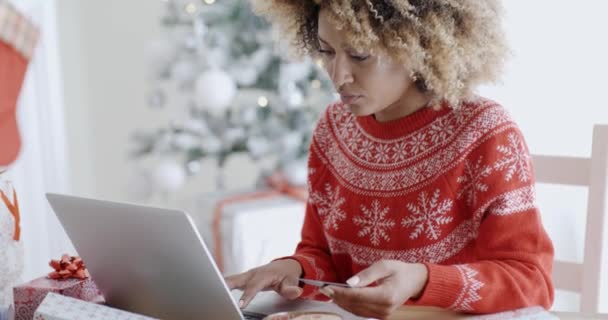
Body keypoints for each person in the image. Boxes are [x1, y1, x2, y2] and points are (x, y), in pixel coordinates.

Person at [225, 1, 554, 318]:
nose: (338, 76)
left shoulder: (484, 132)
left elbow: (532, 280)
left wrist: (421, 280)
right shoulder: (333, 130)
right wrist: (293, 269)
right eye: (326, 51)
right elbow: (325, 258)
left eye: (359, 55)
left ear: (415, 47)